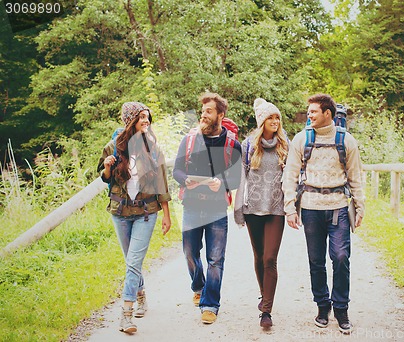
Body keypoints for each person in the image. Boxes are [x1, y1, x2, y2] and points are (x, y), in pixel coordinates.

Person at [282, 94, 365, 334]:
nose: (309, 115)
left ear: (327, 113)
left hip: (338, 206)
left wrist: (360, 207)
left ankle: (341, 308)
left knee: (340, 257)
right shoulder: (301, 140)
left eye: (314, 112)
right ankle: (322, 305)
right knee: (316, 261)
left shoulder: (346, 141)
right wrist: (290, 208)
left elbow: (355, 176)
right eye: (309, 111)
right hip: (310, 208)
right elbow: (290, 175)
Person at [97, 101, 172, 334]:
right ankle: (141, 296)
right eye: (141, 117)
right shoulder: (113, 146)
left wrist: (167, 215)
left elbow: (161, 182)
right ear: (130, 121)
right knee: (131, 262)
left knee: (133, 263)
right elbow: (104, 177)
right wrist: (108, 167)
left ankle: (126, 316)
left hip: (146, 213)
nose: (146, 121)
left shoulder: (153, 148)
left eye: (148, 117)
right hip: (120, 213)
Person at [173, 92, 242, 324]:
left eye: (208, 111)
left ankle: (210, 305)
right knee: (190, 253)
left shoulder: (232, 144)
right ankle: (198, 286)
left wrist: (221, 183)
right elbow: (177, 171)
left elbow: (236, 178)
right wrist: (186, 180)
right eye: (202, 111)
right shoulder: (190, 140)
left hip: (217, 208)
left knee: (216, 259)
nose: (203, 115)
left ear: (220, 115)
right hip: (191, 205)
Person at [234, 98, 288, 328]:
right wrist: (238, 209)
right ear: (261, 121)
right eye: (270, 117)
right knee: (258, 257)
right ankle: (263, 293)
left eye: (277, 117)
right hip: (253, 209)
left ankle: (266, 312)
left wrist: (294, 206)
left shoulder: (286, 145)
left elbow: (295, 177)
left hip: (276, 208)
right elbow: (241, 179)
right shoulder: (248, 146)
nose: (275, 121)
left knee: (270, 258)